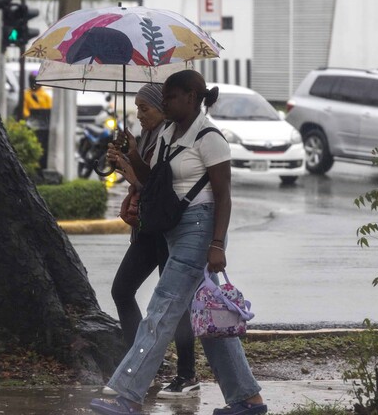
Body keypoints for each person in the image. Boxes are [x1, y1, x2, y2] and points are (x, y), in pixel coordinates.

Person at [91, 70, 266, 415]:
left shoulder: (210, 137)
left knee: (162, 308)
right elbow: (152, 179)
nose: (165, 103)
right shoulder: (168, 134)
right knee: (210, 317)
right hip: (175, 229)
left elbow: (224, 196)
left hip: (201, 228)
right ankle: (248, 400)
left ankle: (128, 396)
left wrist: (217, 244)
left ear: (191, 97)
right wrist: (132, 153)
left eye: (170, 97)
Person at [106, 83, 199, 399]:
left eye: (144, 108)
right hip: (147, 228)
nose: (139, 114)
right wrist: (121, 161)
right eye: (136, 108)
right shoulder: (145, 137)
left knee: (175, 301)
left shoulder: (168, 137)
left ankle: (187, 374)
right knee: (122, 290)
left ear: (162, 108)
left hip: (166, 228)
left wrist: (130, 166)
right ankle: (138, 368)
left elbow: (157, 185)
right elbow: (141, 181)